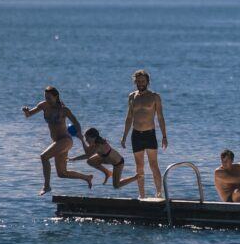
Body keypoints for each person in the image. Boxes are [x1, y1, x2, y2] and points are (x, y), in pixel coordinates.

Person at [23, 86, 92, 195]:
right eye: (45, 97)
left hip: (66, 140)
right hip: (57, 142)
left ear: (56, 97)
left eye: (49, 98)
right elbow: (29, 115)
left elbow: (76, 122)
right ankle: (87, 177)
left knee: (44, 157)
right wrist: (26, 111)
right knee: (62, 173)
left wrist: (79, 134)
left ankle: (46, 186)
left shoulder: (64, 110)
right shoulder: (43, 105)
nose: (47, 100)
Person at [121, 70, 168, 198]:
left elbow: (160, 118)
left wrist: (164, 136)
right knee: (139, 167)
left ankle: (159, 193)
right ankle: (142, 195)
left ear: (147, 81)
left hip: (149, 134)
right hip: (136, 135)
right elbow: (129, 118)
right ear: (135, 82)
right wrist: (124, 137)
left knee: (153, 165)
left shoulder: (154, 97)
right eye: (138, 81)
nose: (140, 83)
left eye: (143, 81)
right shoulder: (132, 96)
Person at [71, 128, 138, 190]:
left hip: (118, 163)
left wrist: (74, 158)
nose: (86, 140)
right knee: (90, 161)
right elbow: (88, 152)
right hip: (106, 159)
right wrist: (82, 140)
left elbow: (87, 154)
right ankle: (107, 173)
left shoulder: (99, 145)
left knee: (116, 185)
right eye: (85, 138)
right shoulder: (95, 142)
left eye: (87, 138)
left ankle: (136, 177)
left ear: (93, 137)